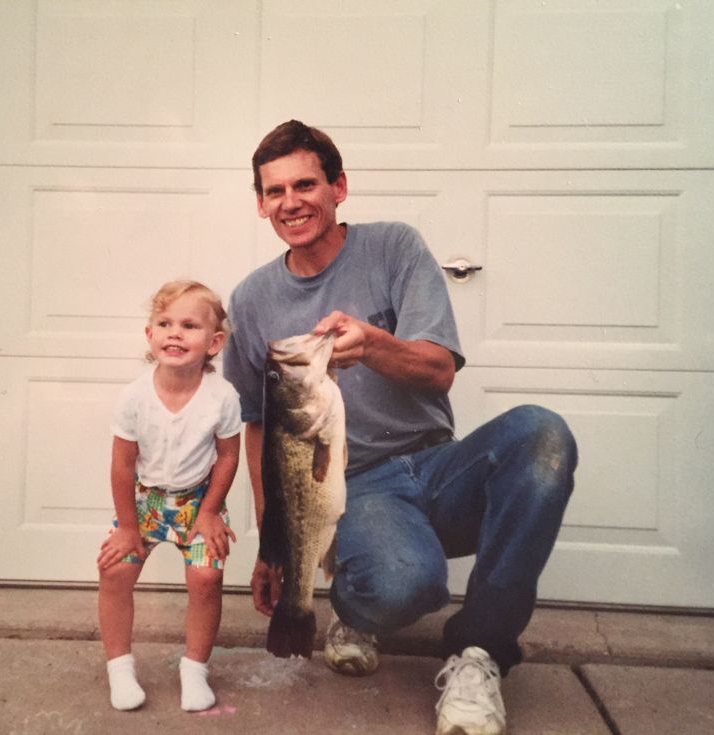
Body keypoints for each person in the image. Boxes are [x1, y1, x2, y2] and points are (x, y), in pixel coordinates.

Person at [223, 120, 578, 735]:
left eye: (305, 185)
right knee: (404, 586)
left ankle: (480, 653)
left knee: (541, 435)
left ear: (339, 187)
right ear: (260, 203)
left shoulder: (394, 247)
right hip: (354, 489)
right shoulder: (252, 299)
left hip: (438, 465)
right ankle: (356, 609)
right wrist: (272, 544)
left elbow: (439, 371)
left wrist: (373, 344)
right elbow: (259, 428)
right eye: (274, 191)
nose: (291, 202)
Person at [97, 280, 241, 713]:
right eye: (164, 323)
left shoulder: (222, 397)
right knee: (115, 570)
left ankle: (194, 670)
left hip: (199, 501)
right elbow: (122, 466)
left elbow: (228, 457)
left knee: (206, 578)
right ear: (149, 334)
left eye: (189, 325)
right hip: (145, 501)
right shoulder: (134, 396)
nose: (174, 333)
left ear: (214, 342)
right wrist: (127, 527)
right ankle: (119, 668)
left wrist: (210, 512)